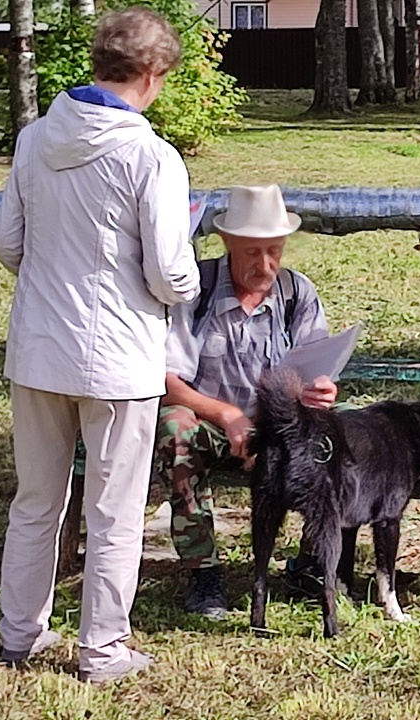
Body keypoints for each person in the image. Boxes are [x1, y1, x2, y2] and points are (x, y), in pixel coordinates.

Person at [0, 7, 200, 684]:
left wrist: (57, 275)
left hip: (40, 348)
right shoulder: (150, 155)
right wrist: (190, 271)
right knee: (114, 513)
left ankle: (19, 635)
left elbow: (6, 241)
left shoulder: (35, 138)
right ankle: (102, 650)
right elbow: (169, 274)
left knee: (37, 501)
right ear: (152, 73)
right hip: (117, 360)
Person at [159, 184, 338, 619]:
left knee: (341, 434)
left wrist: (321, 391)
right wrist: (227, 414)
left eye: (274, 251)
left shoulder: (296, 293)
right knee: (174, 427)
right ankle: (204, 573)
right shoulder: (194, 289)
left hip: (279, 426)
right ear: (226, 243)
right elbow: (164, 380)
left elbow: (318, 369)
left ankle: (314, 561)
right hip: (211, 420)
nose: (266, 265)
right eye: (252, 253)